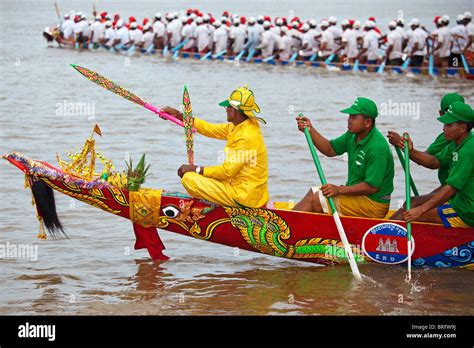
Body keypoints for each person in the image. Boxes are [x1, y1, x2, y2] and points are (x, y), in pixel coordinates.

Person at [161, 86, 269, 208]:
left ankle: (215, 206)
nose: (226, 110)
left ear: (233, 109)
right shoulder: (242, 125)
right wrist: (179, 115)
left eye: (227, 107)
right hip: (246, 190)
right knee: (194, 176)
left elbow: (227, 172)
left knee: (189, 179)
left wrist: (195, 169)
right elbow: (210, 129)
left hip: (243, 196)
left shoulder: (245, 136)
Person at [293, 97, 394, 218]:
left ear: (367, 122)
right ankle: (289, 223)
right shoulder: (352, 135)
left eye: (354, 117)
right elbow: (330, 149)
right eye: (349, 116)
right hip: (358, 196)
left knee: (316, 199)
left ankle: (284, 226)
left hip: (373, 203)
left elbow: (371, 187)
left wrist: (339, 190)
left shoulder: (377, 147)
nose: (349, 120)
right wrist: (310, 130)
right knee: (314, 192)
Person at [390, 102, 473, 228]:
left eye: (449, 125)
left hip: (468, 211)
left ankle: (375, 236)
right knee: (411, 204)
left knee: (407, 213)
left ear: (462, 128)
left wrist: (421, 210)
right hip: (460, 202)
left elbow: (451, 188)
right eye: (444, 124)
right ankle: (379, 231)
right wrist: (410, 151)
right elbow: (434, 162)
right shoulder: (455, 143)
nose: (444, 128)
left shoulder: (468, 150)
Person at [388, 92, 465, 190]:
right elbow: (434, 161)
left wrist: (403, 145)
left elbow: (432, 163)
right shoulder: (450, 138)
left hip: (459, 194)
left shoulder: (462, 143)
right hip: (451, 188)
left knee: (415, 204)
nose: (445, 127)